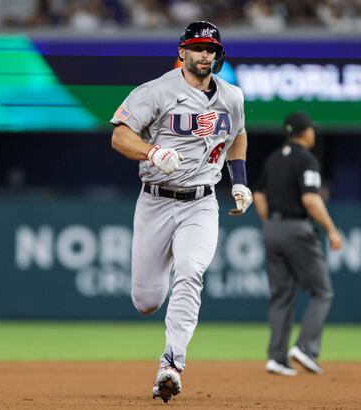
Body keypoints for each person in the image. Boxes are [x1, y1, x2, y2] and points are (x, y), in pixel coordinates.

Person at [110, 21, 252, 403]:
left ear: (218, 54)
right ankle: (162, 320)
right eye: (197, 47)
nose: (204, 54)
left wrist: (239, 180)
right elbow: (119, 135)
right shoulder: (155, 91)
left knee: (191, 271)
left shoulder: (232, 96)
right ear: (182, 52)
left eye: (210, 49)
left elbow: (238, 134)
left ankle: (171, 365)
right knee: (147, 301)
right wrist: (152, 152)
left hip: (202, 202)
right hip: (155, 200)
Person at [253, 112, 343, 377]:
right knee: (322, 291)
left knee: (281, 295)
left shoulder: (273, 158)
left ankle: (277, 358)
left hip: (272, 229)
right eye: (311, 129)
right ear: (306, 132)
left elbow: (258, 196)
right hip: (297, 228)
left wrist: (273, 223)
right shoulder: (306, 159)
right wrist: (332, 231)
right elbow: (311, 200)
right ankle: (305, 348)